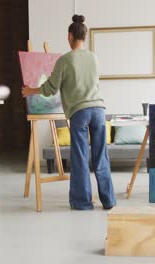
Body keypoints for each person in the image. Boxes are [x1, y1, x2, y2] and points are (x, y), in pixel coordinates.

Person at [22, 14, 116, 210]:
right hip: (99, 110)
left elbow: (50, 88)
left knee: (80, 158)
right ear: (84, 36)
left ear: (70, 36)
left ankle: (82, 203)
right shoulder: (94, 58)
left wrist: (31, 90)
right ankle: (108, 200)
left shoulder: (64, 60)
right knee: (101, 157)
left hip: (80, 113)